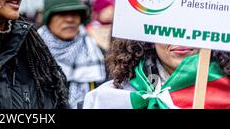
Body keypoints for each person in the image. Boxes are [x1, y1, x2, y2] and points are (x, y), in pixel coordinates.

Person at [83, 39, 230, 109]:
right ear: (150, 39)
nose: (180, 37)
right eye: (167, 28)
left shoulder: (226, 91)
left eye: (192, 28)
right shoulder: (111, 97)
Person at [38, 0, 107, 109]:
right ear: (48, 19)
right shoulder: (33, 55)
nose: (70, 19)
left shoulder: (98, 54)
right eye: (62, 14)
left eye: (75, 13)